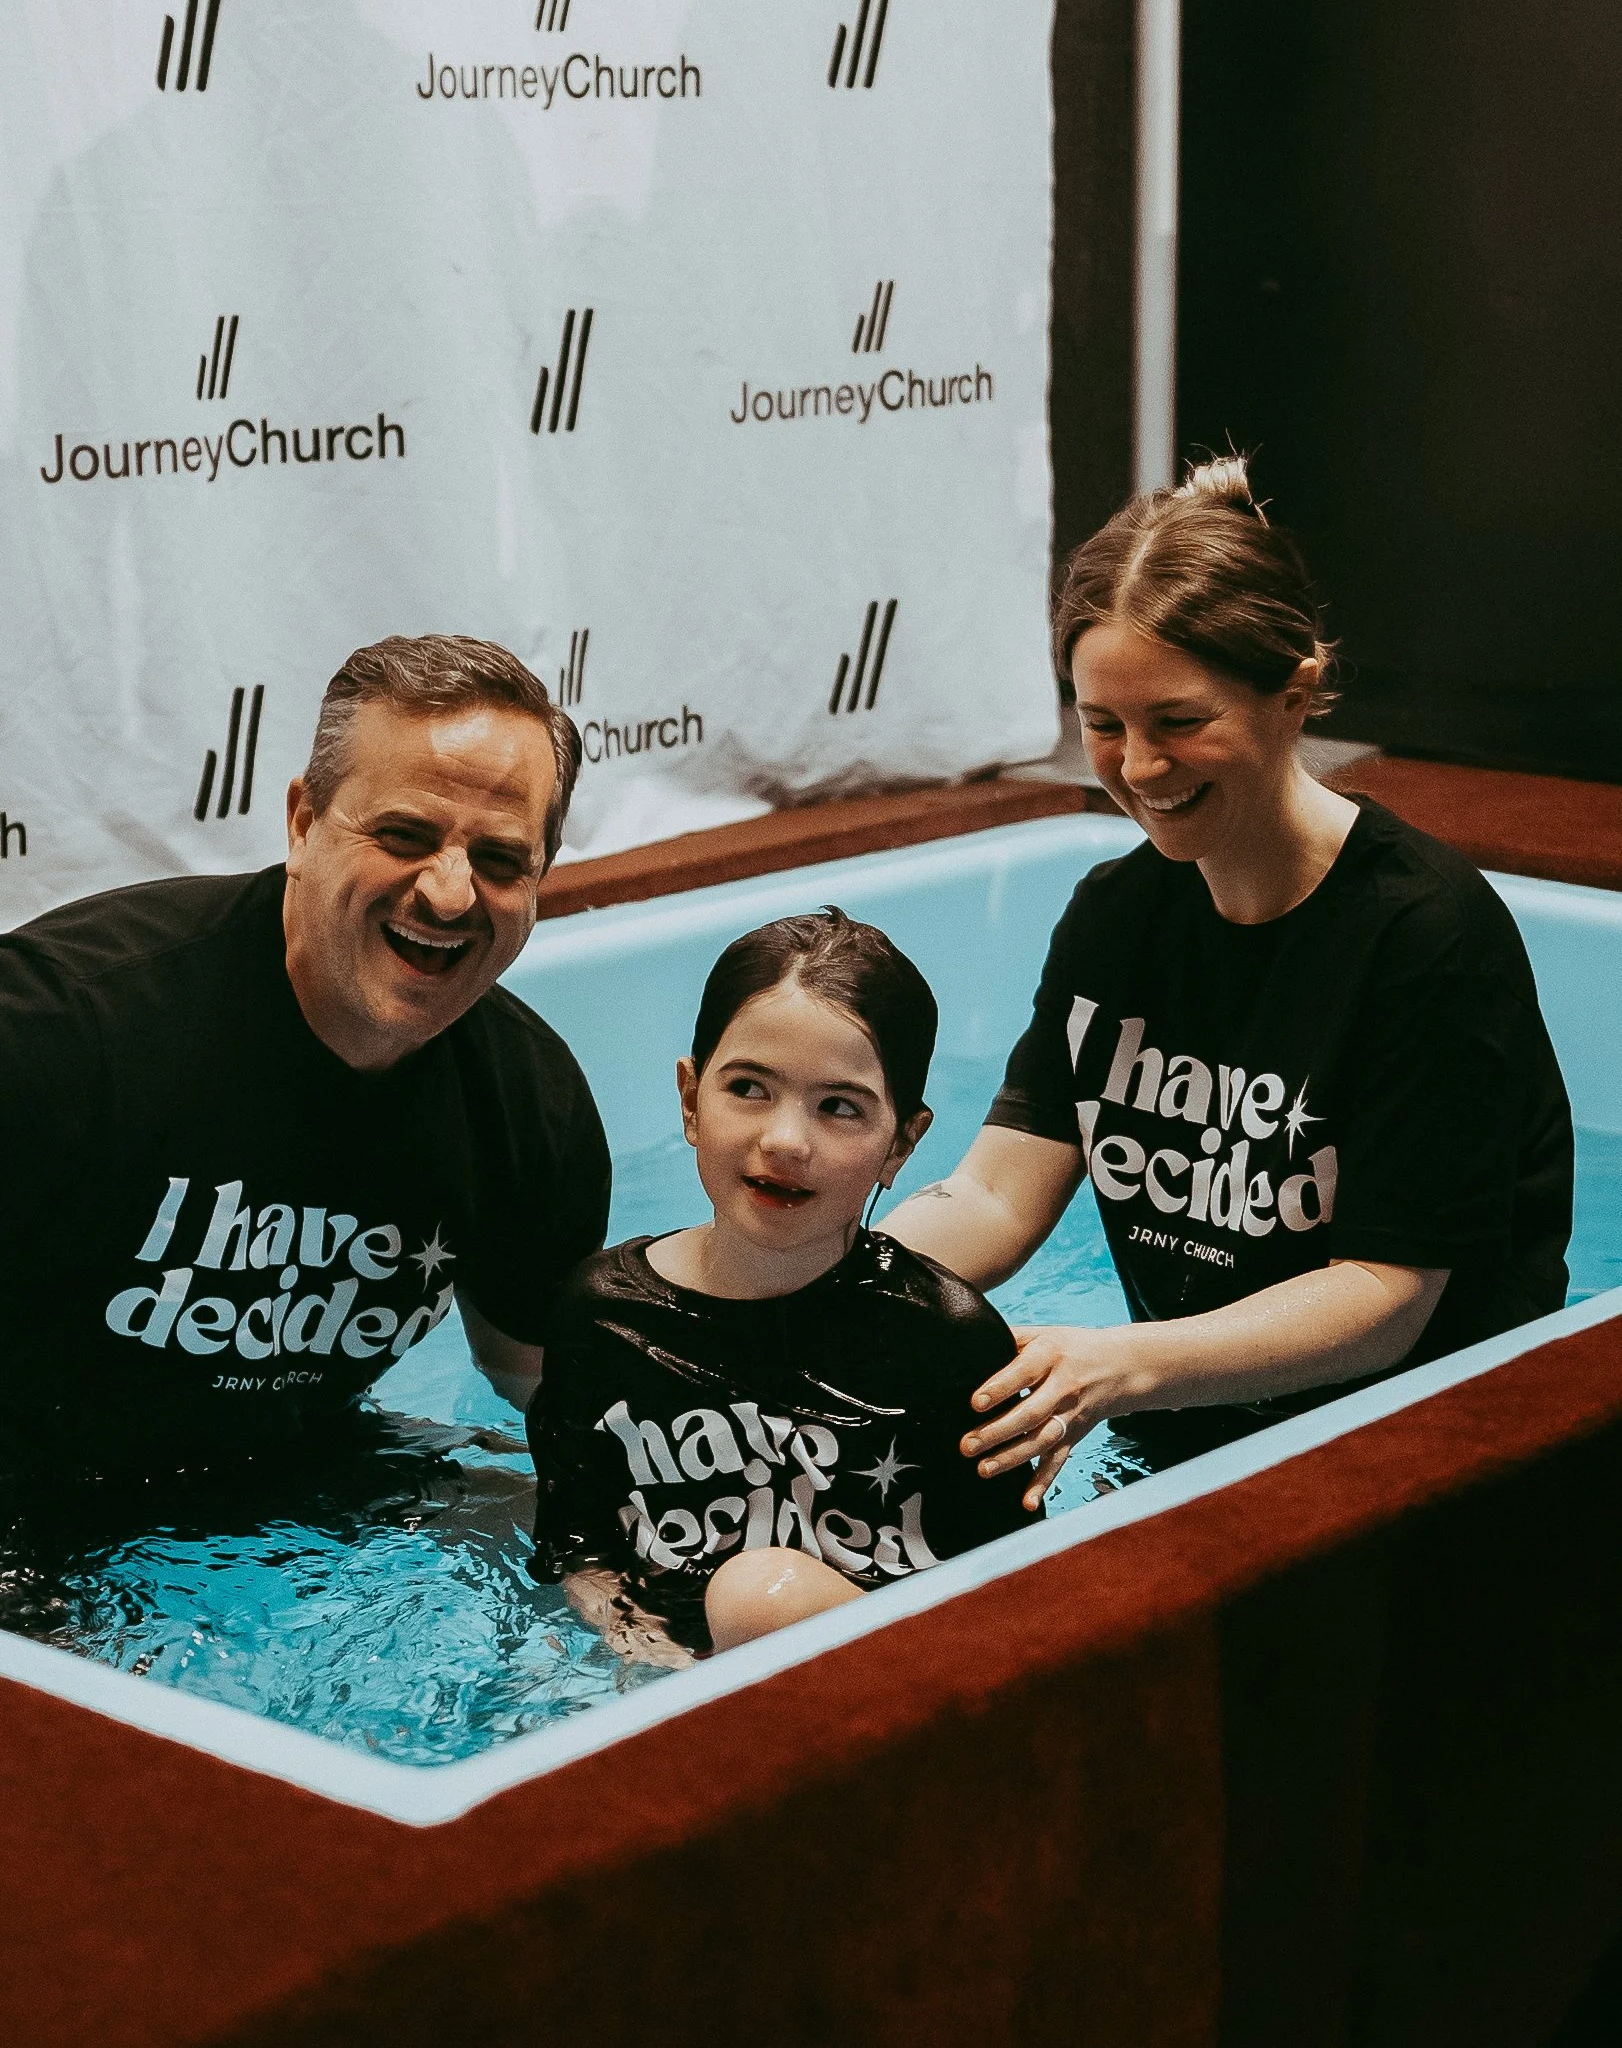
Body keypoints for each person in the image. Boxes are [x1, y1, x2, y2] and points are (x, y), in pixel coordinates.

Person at [882, 456, 1575, 1493]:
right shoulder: (1114, 919)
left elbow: (1386, 1295)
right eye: (1102, 726)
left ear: (1292, 697)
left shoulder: (1423, 934)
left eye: (1178, 721)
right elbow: (990, 1192)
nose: (1138, 769)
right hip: (1185, 1423)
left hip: (1423, 1461)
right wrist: (818, 1278)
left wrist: (1118, 1363)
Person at [0, 634, 610, 1476]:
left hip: (300, 1474)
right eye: (404, 836)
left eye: (501, 859)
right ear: (303, 822)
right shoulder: (55, 1031)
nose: (448, 892)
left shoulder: (532, 1103)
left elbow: (543, 1401)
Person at [528, 909, 1036, 1662]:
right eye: (749, 1088)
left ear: (903, 1142)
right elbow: (579, 1550)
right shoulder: (602, 1318)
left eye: (839, 1107)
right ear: (690, 1099)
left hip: (890, 1686)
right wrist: (649, 1656)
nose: (786, 1141)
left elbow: (1016, 1600)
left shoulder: (946, 1340)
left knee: (761, 1597)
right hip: (674, 1674)